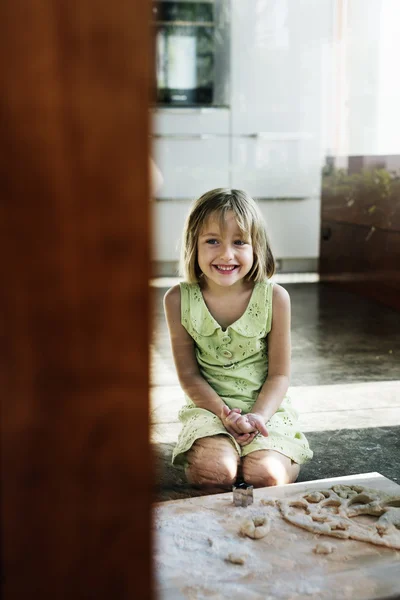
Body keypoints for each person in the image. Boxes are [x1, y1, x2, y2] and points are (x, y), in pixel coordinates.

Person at [163, 188, 313, 489]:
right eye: (212, 241)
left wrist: (257, 416)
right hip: (208, 409)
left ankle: (273, 455)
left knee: (266, 477)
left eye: (239, 242)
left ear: (256, 247)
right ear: (194, 245)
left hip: (267, 408)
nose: (226, 254)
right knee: (214, 473)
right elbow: (189, 375)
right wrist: (223, 414)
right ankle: (221, 452)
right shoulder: (178, 299)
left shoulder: (276, 298)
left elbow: (280, 375)